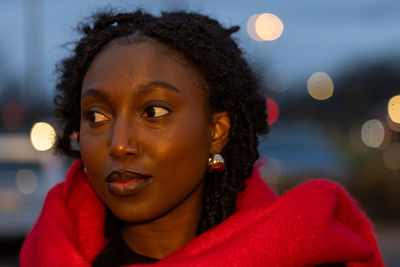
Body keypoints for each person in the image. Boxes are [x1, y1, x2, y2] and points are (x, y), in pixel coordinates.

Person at [20, 9, 385, 267]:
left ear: (216, 132)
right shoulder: (45, 252)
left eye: (154, 112)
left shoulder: (311, 255)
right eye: (96, 116)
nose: (118, 143)